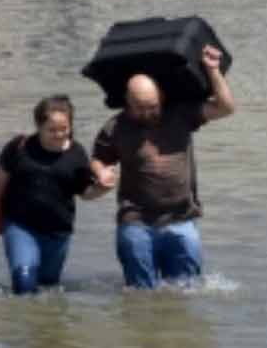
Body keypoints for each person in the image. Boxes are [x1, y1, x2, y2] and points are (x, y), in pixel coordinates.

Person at [89, 45, 236, 289]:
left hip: (181, 219)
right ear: (127, 102)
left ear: (162, 97)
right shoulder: (115, 127)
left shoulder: (181, 114)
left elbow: (225, 108)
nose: (148, 112)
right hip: (135, 221)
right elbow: (99, 158)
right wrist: (101, 172)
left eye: (153, 106)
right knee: (139, 295)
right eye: (140, 107)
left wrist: (213, 70)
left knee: (186, 291)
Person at [0, 95, 113, 295]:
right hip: (20, 226)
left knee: (48, 289)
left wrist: (103, 188)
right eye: (52, 130)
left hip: (58, 232)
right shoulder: (19, 147)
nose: (59, 135)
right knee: (24, 282)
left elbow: (85, 193)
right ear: (38, 126)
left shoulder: (76, 154)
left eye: (64, 129)